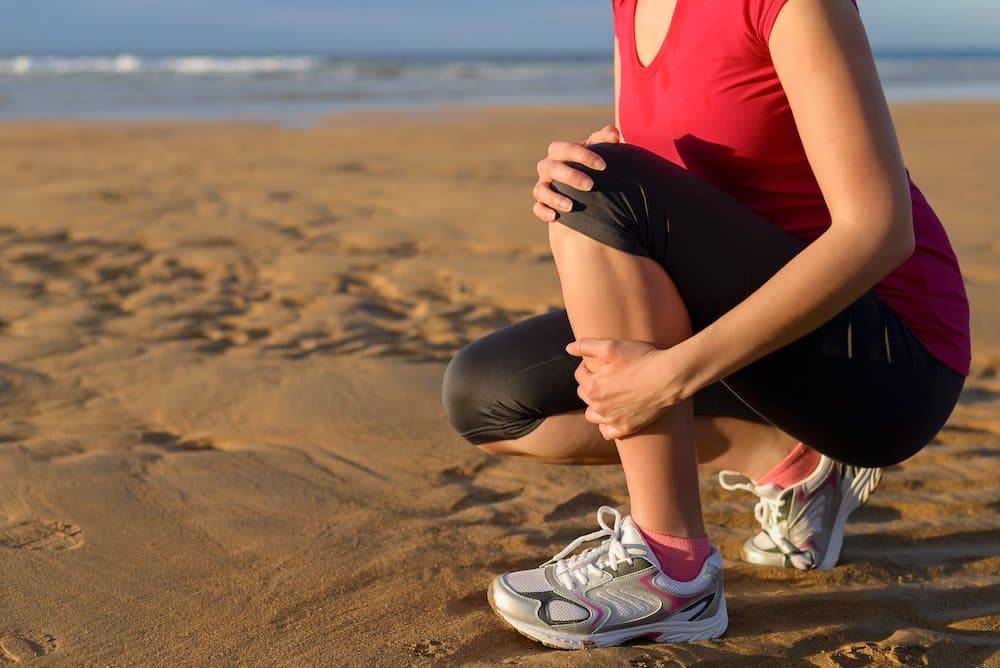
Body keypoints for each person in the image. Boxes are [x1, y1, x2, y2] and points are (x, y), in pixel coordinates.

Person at [441, 0, 969, 650]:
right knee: (487, 397)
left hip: (889, 357)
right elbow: (668, 195)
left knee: (602, 189)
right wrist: (596, 163)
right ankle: (793, 465)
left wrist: (671, 373)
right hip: (760, 334)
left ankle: (672, 572)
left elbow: (880, 231)